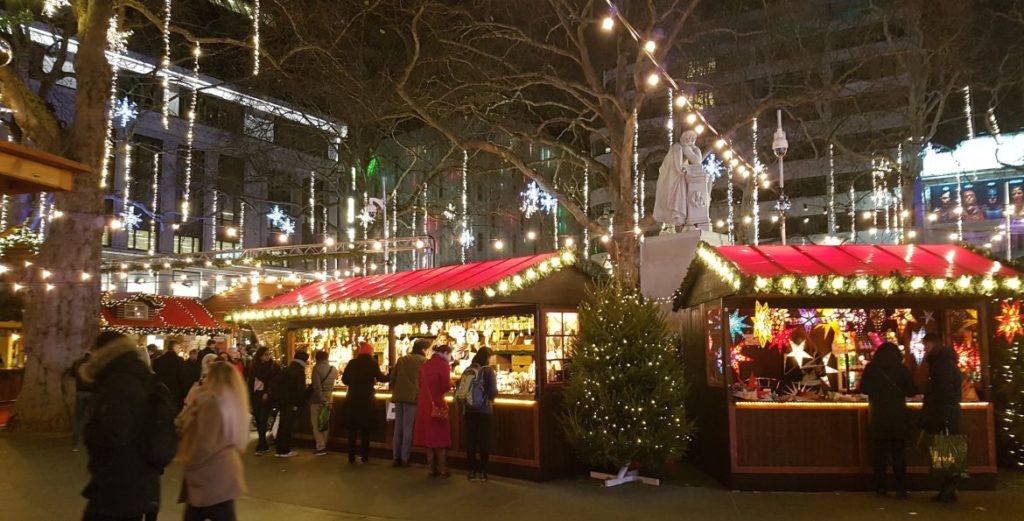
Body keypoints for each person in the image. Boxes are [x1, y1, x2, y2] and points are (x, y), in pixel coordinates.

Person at [79, 332, 161, 521]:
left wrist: (90, 431)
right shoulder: (139, 375)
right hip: (137, 482)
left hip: (117, 484)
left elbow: (116, 432)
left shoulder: (119, 382)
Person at [177, 361, 250, 521]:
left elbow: (205, 442)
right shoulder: (231, 402)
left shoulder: (212, 403)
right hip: (222, 472)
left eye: (207, 375)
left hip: (209, 475)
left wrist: (190, 462)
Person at [859, 342, 914, 498]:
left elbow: (863, 389)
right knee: (898, 454)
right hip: (898, 416)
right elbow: (911, 390)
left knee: (879, 455)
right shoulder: (901, 369)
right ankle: (901, 488)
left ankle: (881, 487)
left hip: (878, 415)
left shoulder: (871, 369)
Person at [920, 333, 963, 502]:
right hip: (947, 412)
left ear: (931, 344)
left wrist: (941, 413)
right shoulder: (946, 361)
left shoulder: (941, 363)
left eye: (925, 345)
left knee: (945, 450)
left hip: (943, 413)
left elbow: (943, 390)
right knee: (947, 450)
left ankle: (948, 488)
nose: (924, 349)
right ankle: (948, 488)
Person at [413, 343, 453, 478]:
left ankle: (431, 468)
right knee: (440, 437)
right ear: (446, 354)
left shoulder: (425, 364)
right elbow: (445, 386)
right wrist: (452, 383)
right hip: (437, 404)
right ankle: (442, 469)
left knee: (428, 437)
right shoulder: (444, 365)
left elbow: (420, 384)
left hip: (424, 405)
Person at [341, 342, 386, 463]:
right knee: (365, 430)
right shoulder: (372, 363)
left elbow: (344, 379)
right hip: (367, 399)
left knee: (352, 430)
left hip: (352, 398)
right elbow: (381, 378)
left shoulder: (352, 363)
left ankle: (351, 457)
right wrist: (392, 374)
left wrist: (354, 384)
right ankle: (365, 456)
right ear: (370, 352)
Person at [390, 339, 431, 467]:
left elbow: (392, 377)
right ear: (424, 350)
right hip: (412, 398)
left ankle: (395, 457)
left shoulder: (402, 359)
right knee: (408, 428)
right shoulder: (424, 362)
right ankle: (405, 458)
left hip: (398, 396)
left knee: (398, 428)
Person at [462, 347, 499, 482]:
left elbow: (462, 391)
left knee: (471, 440)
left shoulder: (468, 370)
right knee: (484, 440)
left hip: (469, 411)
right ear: (487, 357)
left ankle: (471, 470)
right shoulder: (488, 371)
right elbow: (493, 392)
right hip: (484, 410)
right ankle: (483, 471)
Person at [273, 350, 308, 458]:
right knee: (287, 427)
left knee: (282, 426)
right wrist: (298, 403)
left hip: (283, 401)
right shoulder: (299, 371)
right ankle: (284, 450)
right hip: (291, 403)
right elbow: (299, 390)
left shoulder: (288, 368)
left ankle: (279, 449)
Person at [248, 347, 280, 456]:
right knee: (258, 419)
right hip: (256, 395)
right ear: (260, 355)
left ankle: (261, 444)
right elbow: (251, 382)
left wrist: (267, 392)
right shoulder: (254, 367)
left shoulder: (273, 367)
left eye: (269, 354)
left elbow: (274, 382)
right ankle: (262, 442)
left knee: (262, 419)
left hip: (266, 396)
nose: (268, 356)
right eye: (265, 354)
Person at [309, 350, 339, 456]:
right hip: (329, 398)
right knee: (325, 423)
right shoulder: (333, 369)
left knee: (316, 424)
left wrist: (321, 398)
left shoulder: (316, 368)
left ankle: (320, 447)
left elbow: (316, 386)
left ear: (316, 358)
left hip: (317, 399)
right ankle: (324, 444)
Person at [151, 341, 188, 412]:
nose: (180, 350)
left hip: (161, 392)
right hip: (175, 393)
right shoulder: (179, 360)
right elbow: (182, 377)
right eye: (179, 347)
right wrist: (185, 393)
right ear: (174, 347)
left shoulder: (158, 360)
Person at [69, 351, 95, 451]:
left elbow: (73, 375)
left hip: (80, 392)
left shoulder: (77, 363)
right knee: (92, 418)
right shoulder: (96, 363)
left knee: (78, 418)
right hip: (92, 393)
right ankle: (91, 441)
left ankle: (76, 444)